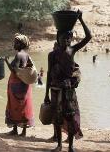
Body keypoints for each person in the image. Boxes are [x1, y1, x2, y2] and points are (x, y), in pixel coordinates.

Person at [44, 10, 92, 152]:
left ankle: (71, 146)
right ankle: (59, 145)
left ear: (71, 39)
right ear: (58, 38)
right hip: (55, 89)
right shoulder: (51, 55)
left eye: (68, 39)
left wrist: (81, 19)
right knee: (57, 119)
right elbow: (48, 73)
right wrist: (46, 93)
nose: (66, 41)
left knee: (70, 117)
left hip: (69, 90)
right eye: (63, 38)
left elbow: (89, 37)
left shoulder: (72, 50)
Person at [5, 33, 34, 137]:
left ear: (21, 44)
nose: (14, 44)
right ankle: (23, 132)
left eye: (16, 42)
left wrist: (6, 62)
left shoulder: (19, 55)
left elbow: (14, 70)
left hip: (16, 84)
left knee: (14, 106)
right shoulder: (26, 54)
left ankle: (15, 130)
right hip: (24, 84)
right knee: (24, 106)